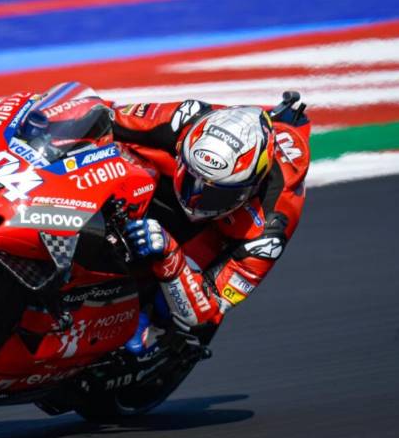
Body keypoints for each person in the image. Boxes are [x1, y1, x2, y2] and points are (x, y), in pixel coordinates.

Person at [113, 95, 311, 346]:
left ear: (249, 189)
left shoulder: (270, 226)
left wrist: (170, 257)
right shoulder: (181, 119)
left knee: (146, 337)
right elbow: (103, 114)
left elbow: (209, 312)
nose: (196, 199)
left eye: (215, 193)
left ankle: (149, 325)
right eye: (192, 179)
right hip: (168, 177)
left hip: (219, 232)